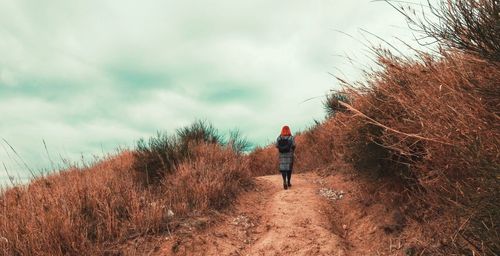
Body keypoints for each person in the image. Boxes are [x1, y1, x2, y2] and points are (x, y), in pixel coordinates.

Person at [276, 125, 296, 190]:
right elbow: (293, 145)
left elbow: (276, 145)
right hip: (289, 154)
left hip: (282, 155)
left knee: (283, 169)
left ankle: (284, 181)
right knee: (289, 169)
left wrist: (281, 148)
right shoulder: (291, 137)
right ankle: (289, 182)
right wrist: (292, 150)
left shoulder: (279, 137)